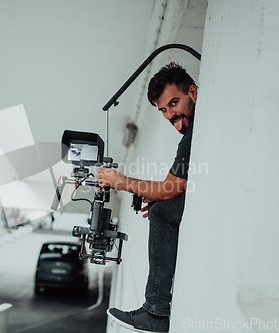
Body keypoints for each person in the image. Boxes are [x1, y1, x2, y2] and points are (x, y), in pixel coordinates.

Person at [98, 62, 197, 333]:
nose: (169, 115)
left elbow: (170, 188)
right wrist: (158, 195)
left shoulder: (193, 137)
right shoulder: (191, 135)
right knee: (161, 207)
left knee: (162, 210)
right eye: (164, 109)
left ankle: (155, 310)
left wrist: (120, 181)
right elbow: (172, 188)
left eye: (174, 103)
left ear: (194, 93)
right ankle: (155, 309)